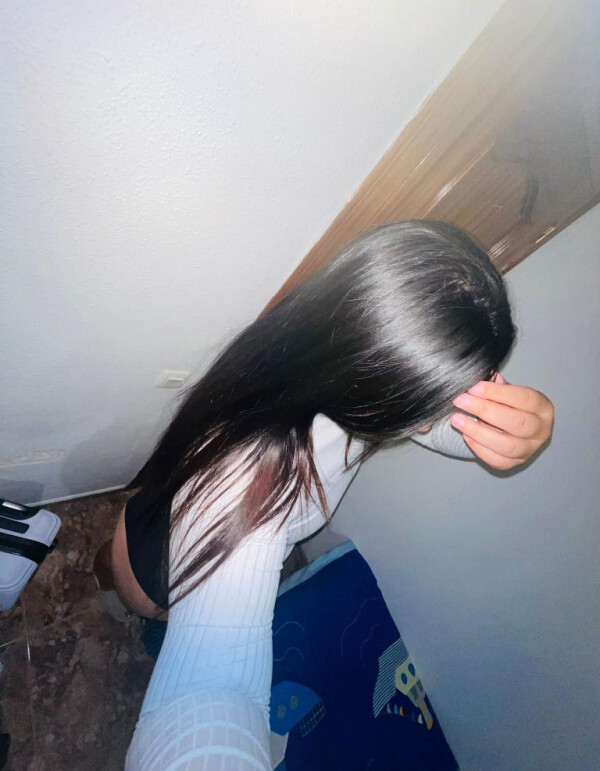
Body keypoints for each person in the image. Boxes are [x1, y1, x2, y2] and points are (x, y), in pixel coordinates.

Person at [97, 221, 553, 769]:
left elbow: (429, 425)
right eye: (435, 404)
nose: (440, 419)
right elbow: (212, 694)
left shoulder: (324, 342)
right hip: (155, 577)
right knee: (139, 608)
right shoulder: (250, 490)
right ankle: (121, 595)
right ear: (385, 390)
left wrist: (510, 429)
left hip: (166, 519)